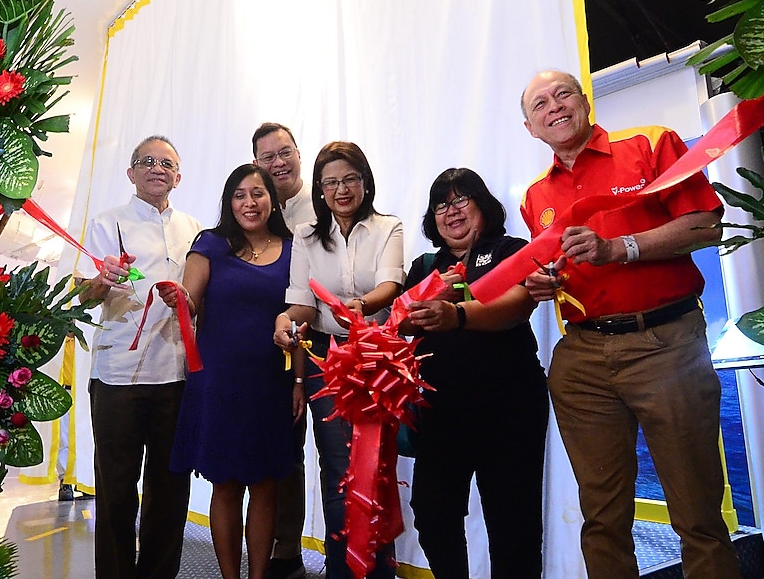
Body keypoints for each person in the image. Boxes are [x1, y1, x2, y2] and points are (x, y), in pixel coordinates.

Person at [519, 70, 740, 579]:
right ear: (530, 127)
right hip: (582, 358)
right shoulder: (536, 195)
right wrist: (545, 283)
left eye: (563, 94)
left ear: (584, 101)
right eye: (539, 105)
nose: (554, 107)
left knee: (697, 516)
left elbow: (706, 224)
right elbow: (559, 267)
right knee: (602, 520)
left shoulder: (649, 143)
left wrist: (620, 248)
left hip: (666, 344)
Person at [400, 168, 549, 578]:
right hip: (440, 408)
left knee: (513, 523)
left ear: (483, 204)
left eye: (462, 200)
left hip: (510, 406)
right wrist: (430, 295)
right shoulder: (427, 265)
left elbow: (518, 305)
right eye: (442, 204)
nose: (452, 211)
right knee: (431, 513)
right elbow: (401, 322)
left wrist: (455, 314)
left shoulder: (511, 250)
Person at [160, 164, 301, 579]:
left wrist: (297, 382)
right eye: (239, 194)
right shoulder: (210, 244)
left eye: (257, 193)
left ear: (272, 200)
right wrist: (177, 298)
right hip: (219, 380)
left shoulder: (294, 248)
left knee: (267, 483)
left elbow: (302, 315)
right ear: (229, 202)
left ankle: (258, 575)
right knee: (225, 484)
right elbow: (190, 302)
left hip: (272, 381)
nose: (249, 202)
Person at [273, 141, 404, 579]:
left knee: (377, 464)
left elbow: (390, 286)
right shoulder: (306, 236)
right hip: (326, 358)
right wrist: (284, 320)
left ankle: (380, 568)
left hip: (375, 355)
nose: (341, 189)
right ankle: (342, 568)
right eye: (330, 183)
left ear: (364, 183)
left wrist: (357, 308)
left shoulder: (388, 228)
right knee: (336, 465)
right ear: (320, 190)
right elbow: (303, 304)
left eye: (349, 179)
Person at [80, 135, 202, 579]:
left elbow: (204, 296)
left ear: (178, 176)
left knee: (170, 489)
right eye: (147, 161)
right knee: (116, 490)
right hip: (118, 377)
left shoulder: (194, 228)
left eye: (166, 163)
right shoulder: (106, 223)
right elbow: (81, 292)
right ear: (131, 173)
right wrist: (102, 278)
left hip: (176, 374)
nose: (157, 168)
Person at [252, 122, 316, 579]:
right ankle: (284, 548)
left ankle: (350, 549)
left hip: (324, 338)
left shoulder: (324, 202)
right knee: (282, 447)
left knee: (338, 452)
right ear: (256, 163)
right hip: (273, 343)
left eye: (285, 152)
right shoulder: (255, 207)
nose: (278, 163)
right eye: (268, 157)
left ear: (298, 153)